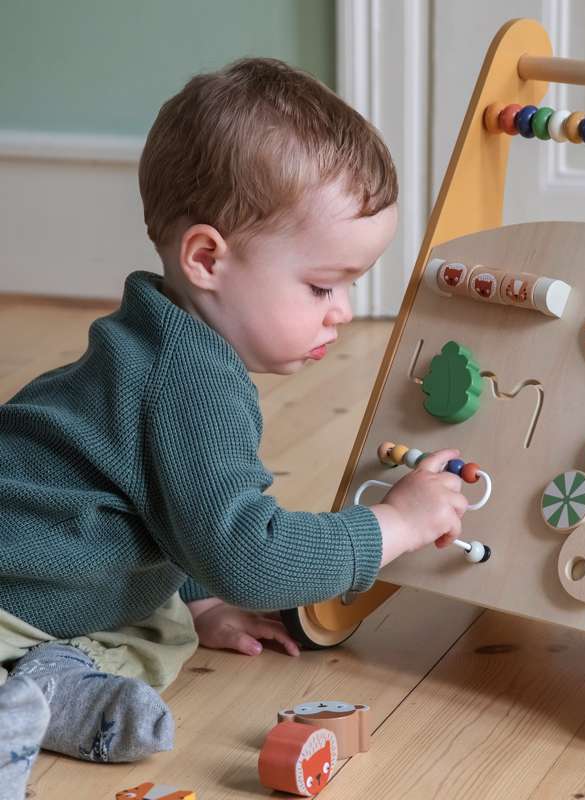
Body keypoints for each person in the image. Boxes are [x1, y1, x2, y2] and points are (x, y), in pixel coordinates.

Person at [0, 57, 468, 795]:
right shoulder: (192, 383)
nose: (343, 313)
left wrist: (202, 599)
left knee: (163, 629)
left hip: (50, 580)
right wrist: (395, 525)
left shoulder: (160, 337)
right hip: (10, 586)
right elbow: (251, 553)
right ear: (207, 259)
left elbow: (174, 503)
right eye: (322, 286)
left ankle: (49, 686)